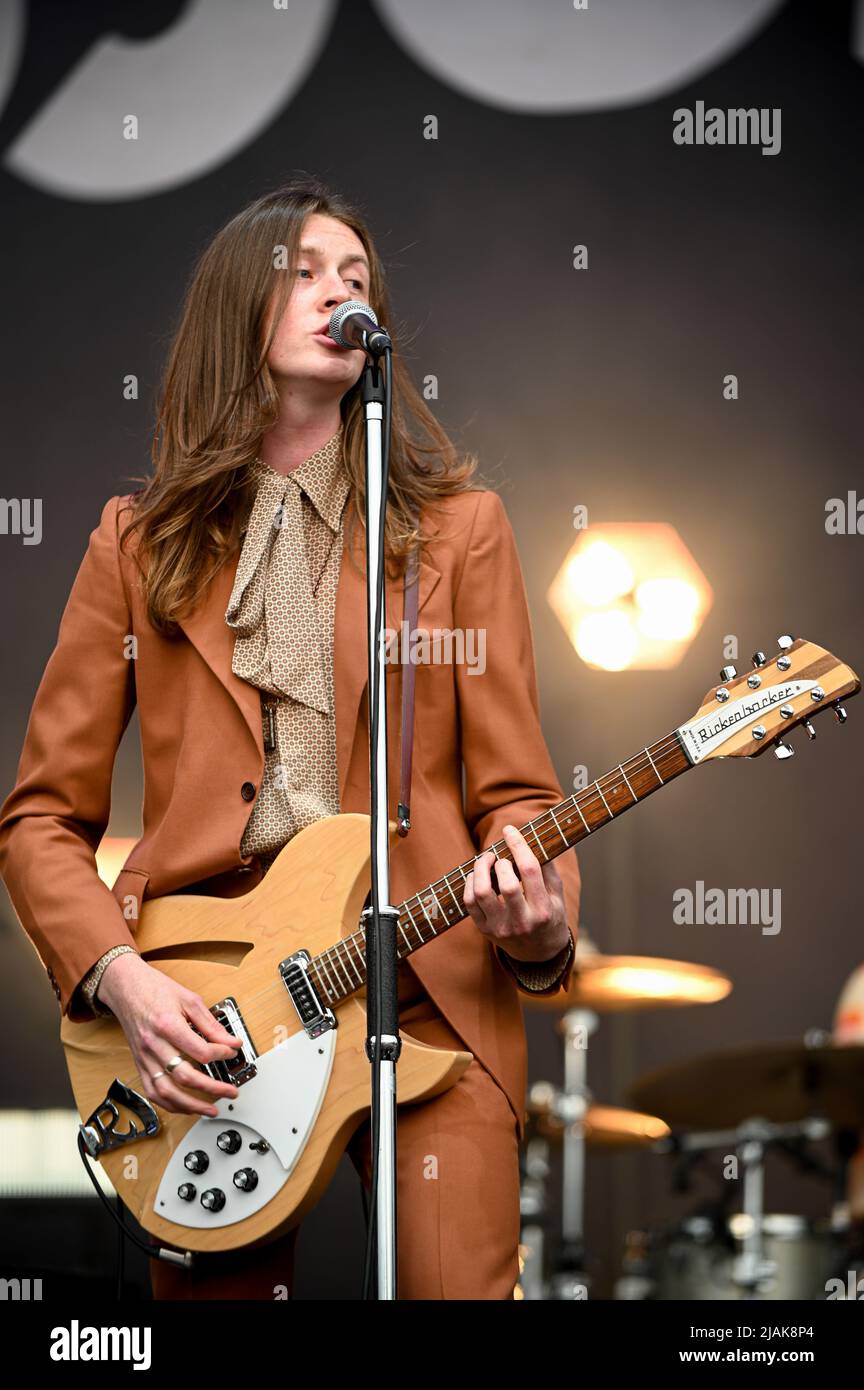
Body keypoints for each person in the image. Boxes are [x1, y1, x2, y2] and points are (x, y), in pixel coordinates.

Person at [0, 176, 582, 1300]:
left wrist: (537, 914)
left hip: (426, 990)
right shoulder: (136, 544)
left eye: (356, 279)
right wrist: (119, 976)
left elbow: (517, 790)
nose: (339, 294)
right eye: (306, 273)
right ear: (237, 315)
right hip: (214, 1014)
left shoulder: (460, 534)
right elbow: (39, 820)